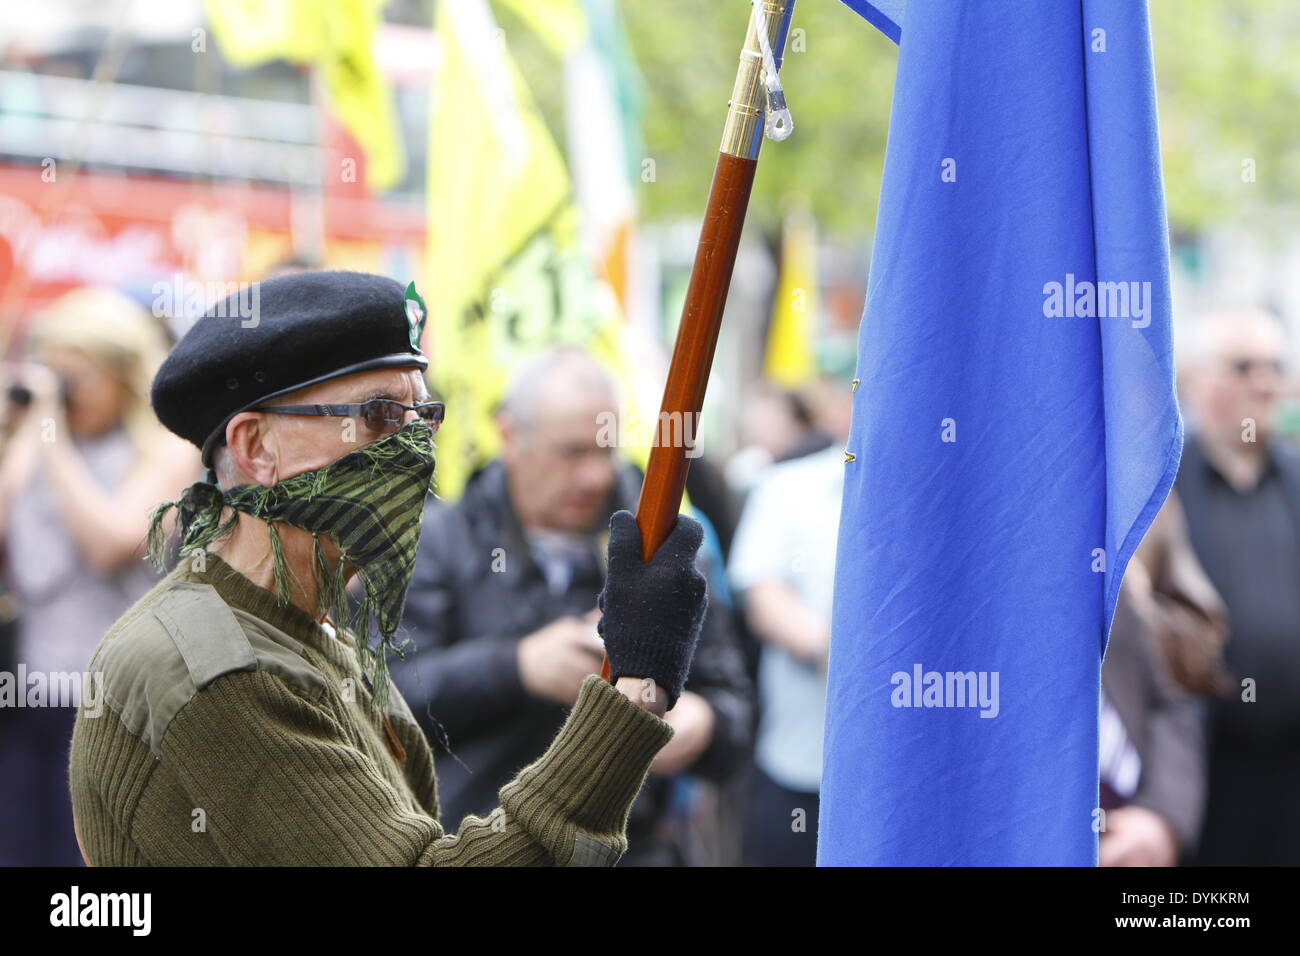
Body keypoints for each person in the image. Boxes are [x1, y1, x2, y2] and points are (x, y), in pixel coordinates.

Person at [68, 271, 709, 866]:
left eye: (423, 415)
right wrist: (631, 693)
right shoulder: (217, 668)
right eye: (377, 416)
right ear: (257, 449)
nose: (415, 449)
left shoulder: (304, 623)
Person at [393, 346, 754, 866]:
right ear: (510, 436)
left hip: (634, 849)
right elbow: (386, 698)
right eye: (572, 452)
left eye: (606, 450)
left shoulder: (663, 546)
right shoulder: (439, 540)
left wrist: (701, 724)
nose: (595, 476)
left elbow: (736, 703)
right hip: (478, 845)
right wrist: (516, 667)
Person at [0, 287, 198, 866]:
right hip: (32, 696)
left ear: (120, 375)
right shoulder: (39, 441)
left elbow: (110, 543)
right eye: (52, 377)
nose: (62, 397)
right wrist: (26, 432)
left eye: (76, 381)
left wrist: (50, 437)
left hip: (115, 708)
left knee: (88, 867)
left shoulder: (163, 450)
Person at [1174, 307, 1300, 866]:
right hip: (1202, 774)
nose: (1266, 383)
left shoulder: (1295, 481)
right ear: (1198, 379)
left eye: (1274, 366)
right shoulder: (1163, 490)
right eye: (1245, 367)